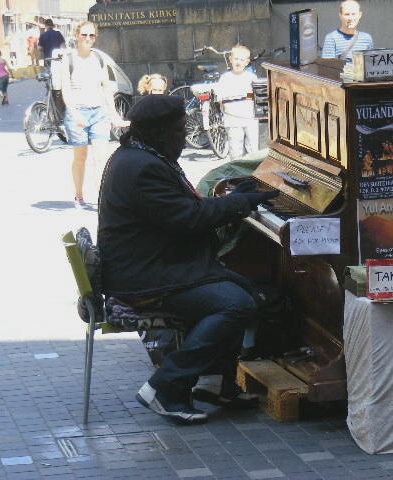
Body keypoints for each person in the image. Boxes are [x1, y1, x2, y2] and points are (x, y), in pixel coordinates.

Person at [97, 94, 279, 424]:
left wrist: (235, 201)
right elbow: (187, 218)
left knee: (246, 291)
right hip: (144, 277)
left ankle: (213, 382)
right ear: (160, 132)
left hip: (155, 262)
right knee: (236, 304)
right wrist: (239, 204)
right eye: (180, 131)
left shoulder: (141, 155)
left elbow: (184, 213)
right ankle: (165, 387)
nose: (185, 137)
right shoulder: (143, 168)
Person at [61, 20, 127, 208]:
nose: (88, 39)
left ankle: (103, 197)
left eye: (92, 35)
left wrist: (114, 114)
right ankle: (79, 195)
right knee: (80, 158)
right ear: (77, 36)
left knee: (101, 157)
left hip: (99, 112)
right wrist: (75, 114)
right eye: (84, 35)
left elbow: (106, 88)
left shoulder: (99, 58)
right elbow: (66, 91)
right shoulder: (69, 59)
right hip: (78, 113)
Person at [216, 45, 258, 160]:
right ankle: (237, 176)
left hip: (250, 118)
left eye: (242, 60)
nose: (238, 62)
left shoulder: (251, 78)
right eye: (236, 59)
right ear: (230, 60)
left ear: (247, 62)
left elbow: (256, 97)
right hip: (233, 120)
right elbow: (221, 99)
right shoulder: (225, 78)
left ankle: (252, 175)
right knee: (235, 151)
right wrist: (227, 108)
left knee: (253, 150)